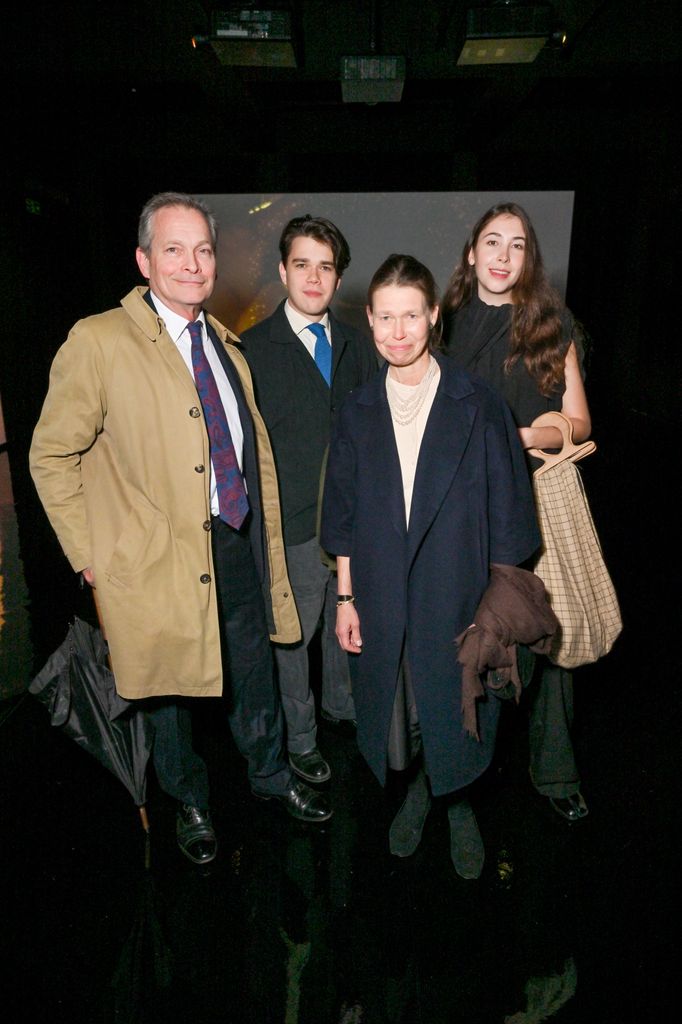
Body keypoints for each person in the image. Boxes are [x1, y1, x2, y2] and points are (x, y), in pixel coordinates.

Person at [29, 192, 332, 866]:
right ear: (143, 259)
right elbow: (51, 455)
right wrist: (90, 556)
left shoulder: (225, 341)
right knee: (167, 691)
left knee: (253, 671)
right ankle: (189, 802)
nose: (193, 264)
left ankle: (270, 777)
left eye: (203, 249)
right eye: (174, 248)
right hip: (156, 556)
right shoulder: (99, 340)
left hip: (236, 539)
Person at [320, 254, 540, 878]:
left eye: (410, 315)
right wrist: (345, 598)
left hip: (459, 591)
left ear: (433, 315)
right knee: (399, 713)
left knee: (459, 705)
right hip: (383, 590)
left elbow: (509, 517)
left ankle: (457, 803)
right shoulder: (357, 410)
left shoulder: (480, 404)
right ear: (369, 319)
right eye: (385, 317)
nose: (397, 331)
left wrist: (495, 611)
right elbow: (341, 516)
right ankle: (421, 788)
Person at [442, 201, 592, 823]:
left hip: (533, 505)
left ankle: (555, 774)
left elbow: (581, 424)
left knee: (545, 640)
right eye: (492, 242)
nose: (503, 256)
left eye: (518, 245)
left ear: (528, 259)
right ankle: (460, 775)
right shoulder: (440, 325)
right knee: (466, 637)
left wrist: (527, 435)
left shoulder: (550, 327)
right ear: (472, 252)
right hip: (459, 507)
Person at [240, 215, 376, 785]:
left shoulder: (357, 346)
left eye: (326, 266)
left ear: (339, 278)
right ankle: (300, 740)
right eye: (302, 264)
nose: (314, 277)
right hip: (290, 525)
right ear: (282, 271)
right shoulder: (250, 351)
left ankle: (342, 711)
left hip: (349, 526)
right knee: (291, 642)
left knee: (344, 627)